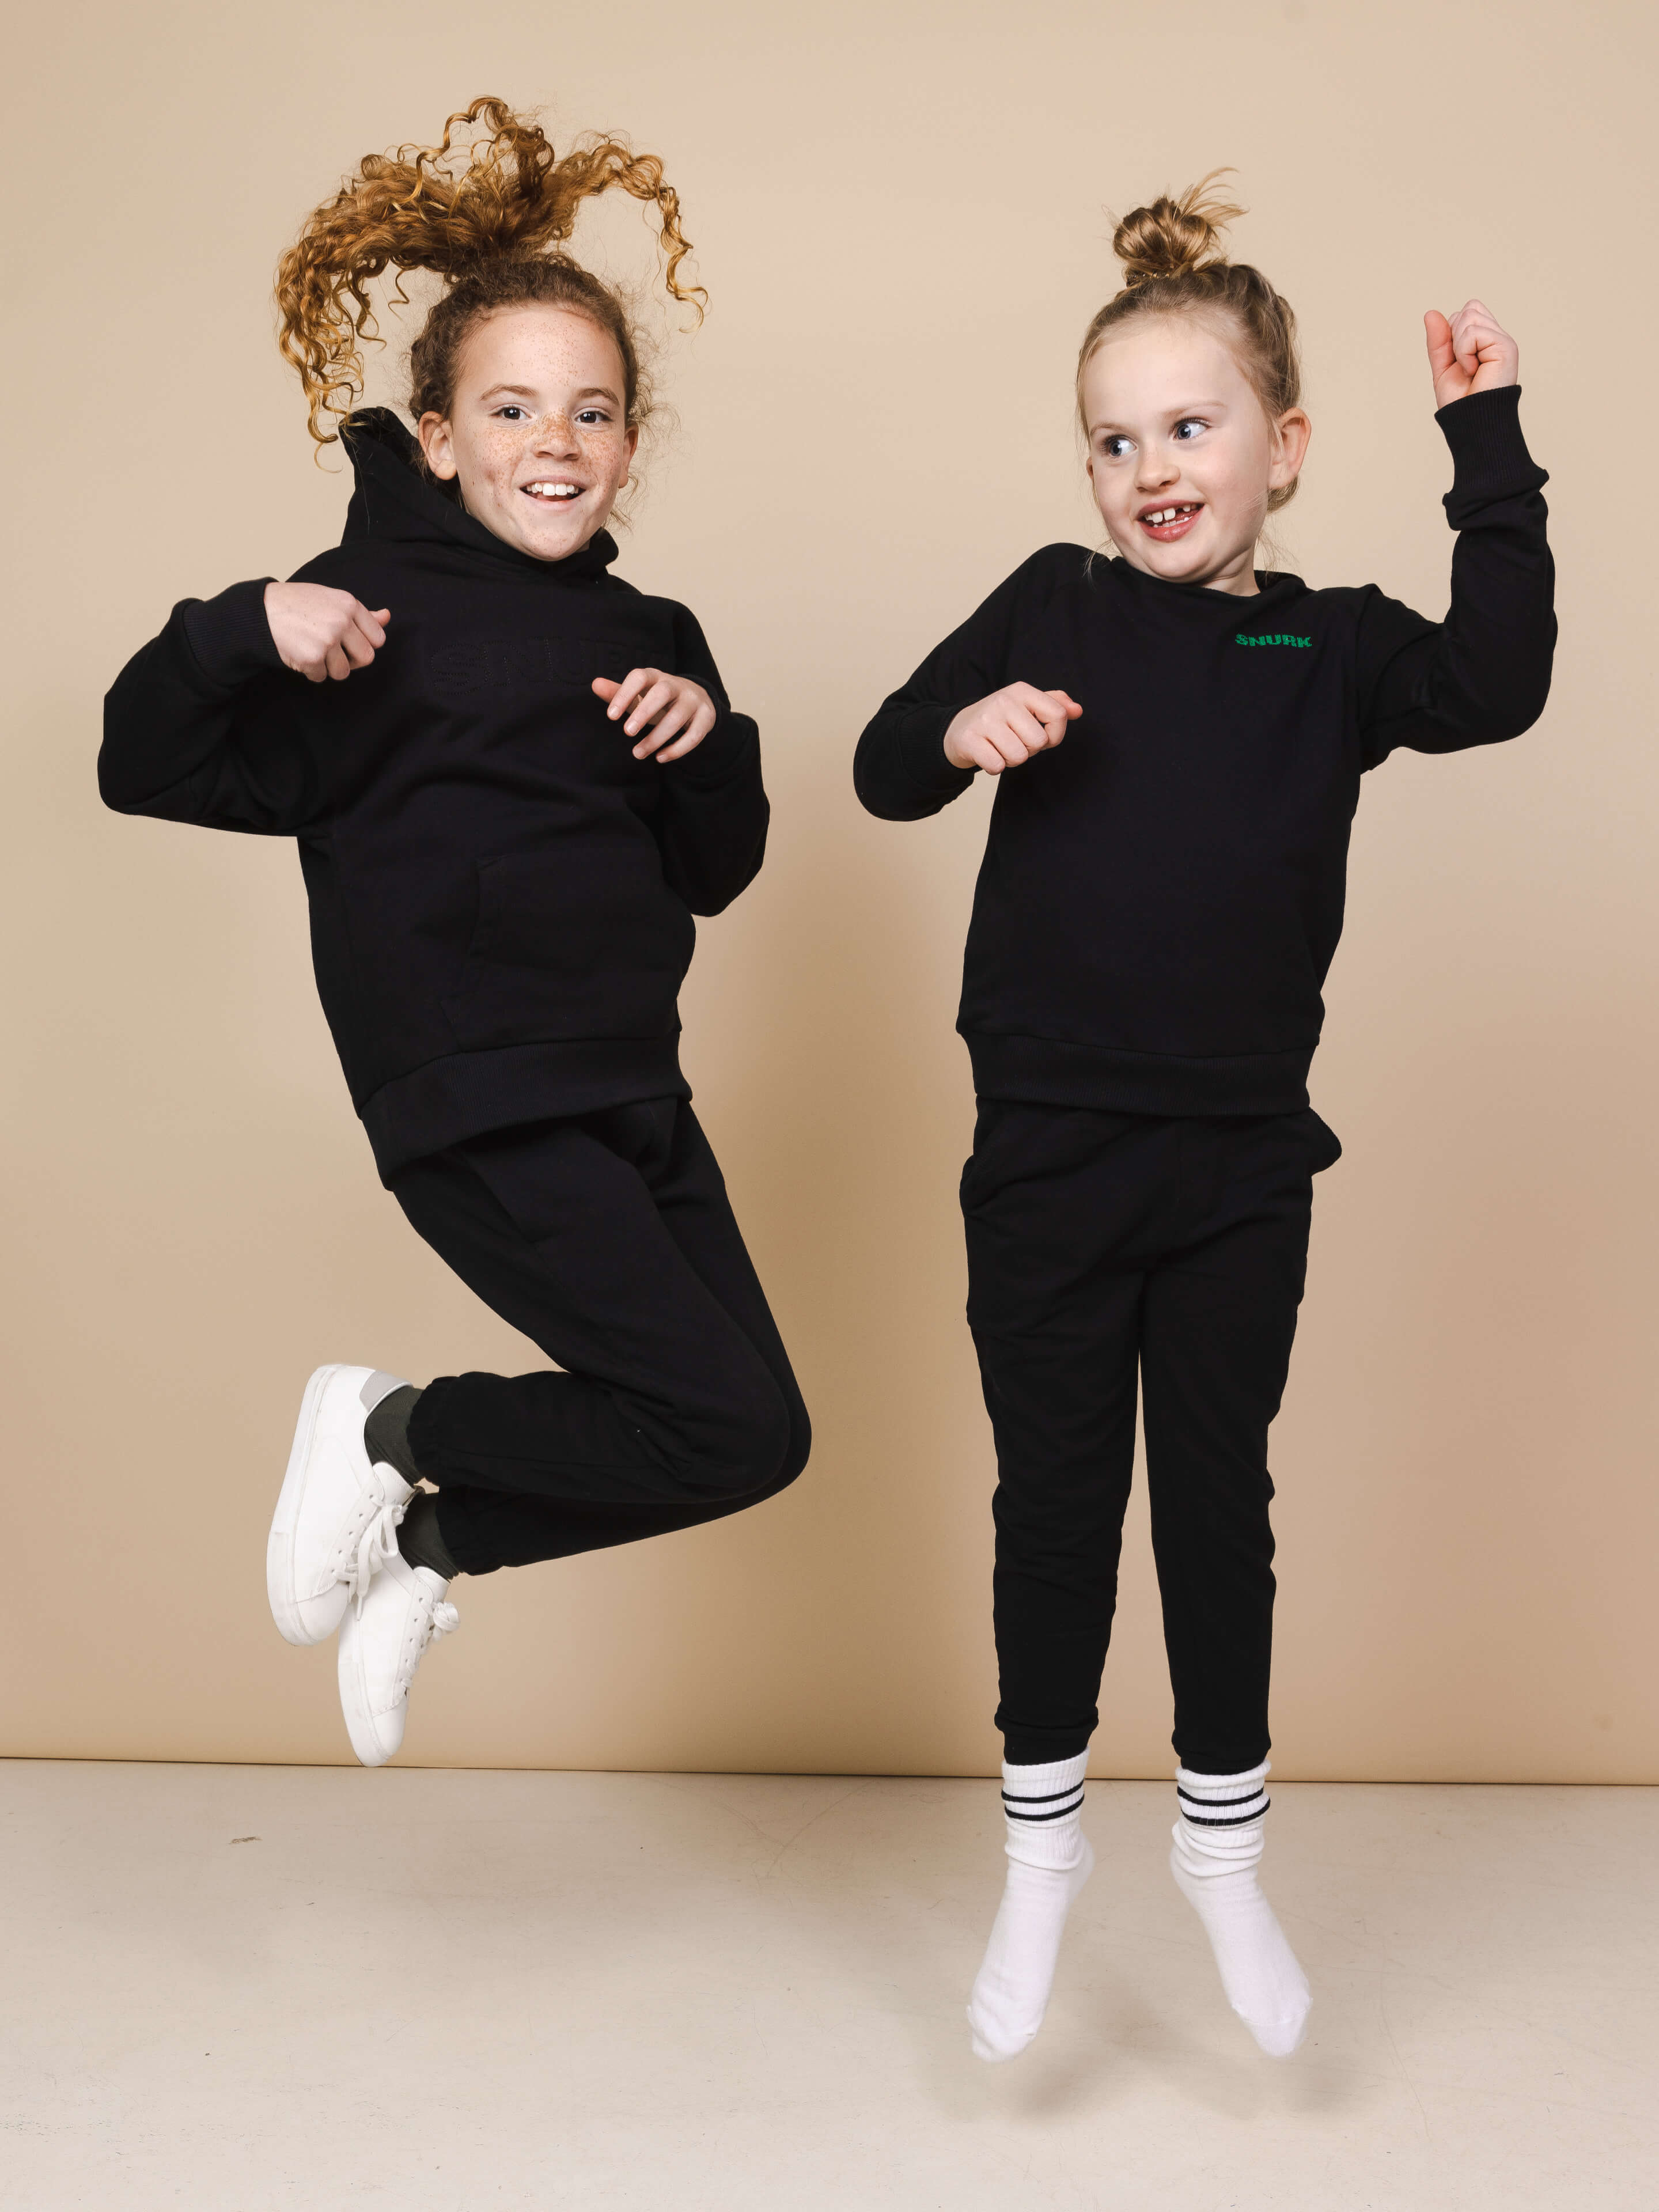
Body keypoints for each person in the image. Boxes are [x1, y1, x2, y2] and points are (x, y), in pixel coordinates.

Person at [853, 175, 1553, 2063]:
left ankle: (1224, 1856)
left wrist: (1487, 444)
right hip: (1049, 1156)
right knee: (1056, 1506)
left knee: (1218, 1508)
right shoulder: (1051, 604)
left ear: (1284, 446)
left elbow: (1499, 685)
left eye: (1190, 428)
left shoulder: (1329, 650)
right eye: (1115, 440)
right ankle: (1042, 1857)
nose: (1152, 469)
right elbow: (882, 763)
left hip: (1242, 1162)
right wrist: (960, 732)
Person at [101, 99, 809, 1768]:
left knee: (750, 1436)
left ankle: (430, 1537)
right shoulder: (365, 620)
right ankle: (387, 1424)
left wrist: (709, 742)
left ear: (629, 443)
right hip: (478, 1093)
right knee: (700, 1407)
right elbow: (143, 762)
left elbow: (719, 871)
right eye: (511, 409)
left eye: (592, 411)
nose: (555, 442)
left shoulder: (653, 629)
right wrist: (244, 628)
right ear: (435, 439)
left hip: (636, 1092)